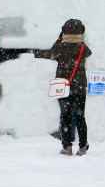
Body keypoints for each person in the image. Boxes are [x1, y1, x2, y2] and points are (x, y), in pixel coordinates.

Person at [33, 19, 93, 155]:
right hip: (80, 87)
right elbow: (88, 53)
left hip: (63, 86)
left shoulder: (60, 47)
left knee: (65, 116)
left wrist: (59, 39)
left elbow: (49, 54)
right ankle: (83, 146)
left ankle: (67, 146)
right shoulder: (83, 48)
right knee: (80, 117)